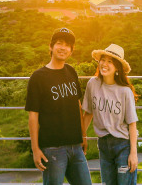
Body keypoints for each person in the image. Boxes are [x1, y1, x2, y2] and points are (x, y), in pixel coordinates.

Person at [25, 27, 93, 185]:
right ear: (51, 47)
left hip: (76, 146)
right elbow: (33, 115)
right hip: (52, 148)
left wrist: (83, 136)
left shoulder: (71, 72)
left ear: (71, 50)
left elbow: (77, 105)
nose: (63, 48)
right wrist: (35, 149)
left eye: (67, 45)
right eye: (59, 43)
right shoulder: (38, 77)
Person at [81, 44, 139, 185]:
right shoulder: (92, 84)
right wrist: (81, 137)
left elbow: (132, 124)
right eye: (103, 60)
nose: (104, 64)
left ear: (117, 67)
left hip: (123, 147)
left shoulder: (125, 91)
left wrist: (133, 153)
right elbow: (88, 113)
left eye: (110, 61)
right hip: (104, 146)